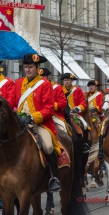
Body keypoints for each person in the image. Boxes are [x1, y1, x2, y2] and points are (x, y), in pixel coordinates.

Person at [14, 54, 61, 192]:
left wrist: (33, 118)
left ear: (38, 67)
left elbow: (49, 109)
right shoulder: (18, 83)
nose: (27, 70)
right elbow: (11, 102)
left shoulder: (45, 85)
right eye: (26, 67)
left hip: (39, 124)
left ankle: (54, 177)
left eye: (30, 67)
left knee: (47, 146)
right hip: (20, 123)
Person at [39, 68, 72, 136]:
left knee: (63, 130)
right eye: (40, 76)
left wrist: (52, 105)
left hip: (55, 115)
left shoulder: (57, 87)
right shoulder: (37, 88)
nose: (41, 78)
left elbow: (63, 103)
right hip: (40, 115)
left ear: (47, 77)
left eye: (43, 76)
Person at [61, 73, 89, 153]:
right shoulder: (60, 90)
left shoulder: (77, 90)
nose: (67, 82)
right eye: (65, 80)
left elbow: (83, 102)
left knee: (85, 125)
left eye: (68, 80)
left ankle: (85, 144)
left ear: (72, 81)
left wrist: (78, 108)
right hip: (63, 115)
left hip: (75, 114)